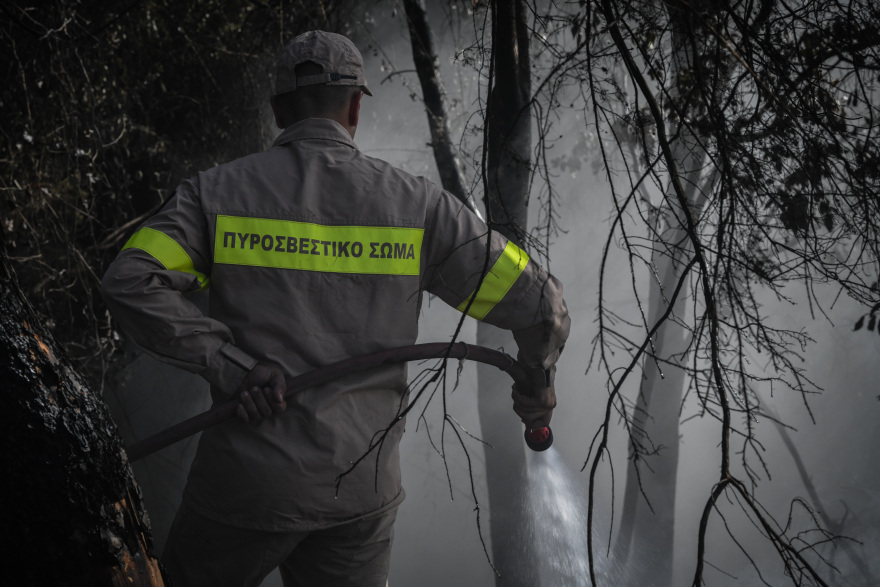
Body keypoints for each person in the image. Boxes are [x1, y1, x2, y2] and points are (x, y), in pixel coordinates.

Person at [101, 30, 569, 587]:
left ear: (278, 111)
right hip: (360, 492)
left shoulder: (217, 194)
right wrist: (537, 382)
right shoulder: (419, 207)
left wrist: (230, 366)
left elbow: (130, 281)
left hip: (246, 484)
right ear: (354, 107)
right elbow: (541, 303)